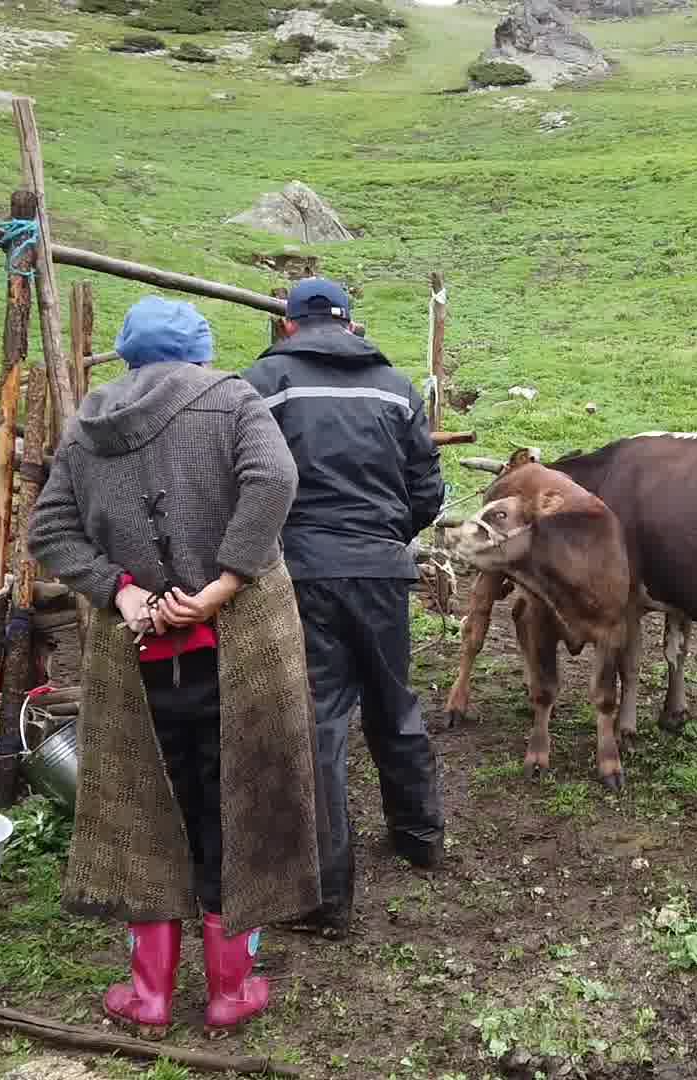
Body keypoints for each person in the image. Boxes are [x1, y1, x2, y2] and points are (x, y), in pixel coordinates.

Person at [28, 295, 324, 1038]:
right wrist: (226, 582)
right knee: (236, 808)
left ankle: (149, 997)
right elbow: (276, 481)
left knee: (143, 812)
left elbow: (51, 528)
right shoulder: (232, 400)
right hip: (237, 657)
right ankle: (231, 991)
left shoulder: (89, 424)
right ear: (198, 352)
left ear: (128, 355)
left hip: (138, 664)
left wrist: (121, 594)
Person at [240, 277, 446, 940]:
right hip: (382, 569)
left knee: (320, 722)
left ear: (290, 325)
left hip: (300, 573)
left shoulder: (266, 384)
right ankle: (421, 838)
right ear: (351, 324)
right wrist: (387, 538)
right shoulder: (396, 387)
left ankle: (327, 898)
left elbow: (244, 476)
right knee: (396, 703)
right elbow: (428, 489)